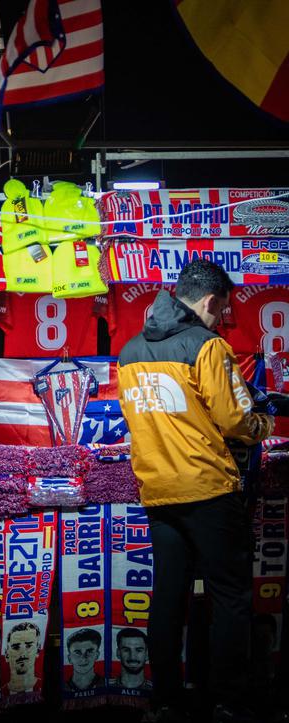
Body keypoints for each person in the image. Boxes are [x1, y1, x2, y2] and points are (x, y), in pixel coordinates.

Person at [118, 260, 274, 723]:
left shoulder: (129, 351)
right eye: (222, 311)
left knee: (169, 595)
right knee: (230, 596)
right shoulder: (208, 347)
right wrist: (262, 424)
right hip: (207, 487)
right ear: (210, 301)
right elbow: (234, 420)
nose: (221, 320)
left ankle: (164, 699)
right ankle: (230, 700)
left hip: (158, 490)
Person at [2, 622, 42, 696]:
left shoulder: (46, 690)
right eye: (16, 647)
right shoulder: (0, 694)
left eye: (29, 646)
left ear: (38, 650)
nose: (22, 654)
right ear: (7, 655)